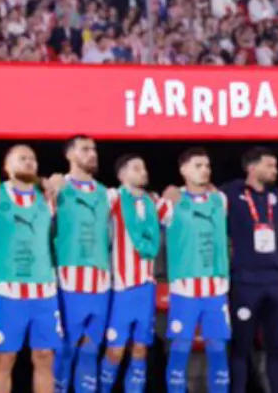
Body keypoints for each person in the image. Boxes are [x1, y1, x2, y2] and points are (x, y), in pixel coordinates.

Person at [159, 148, 231, 393]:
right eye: (198, 165)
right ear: (183, 170)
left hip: (216, 288)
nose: (205, 170)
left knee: (218, 349)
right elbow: (148, 225)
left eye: (207, 165)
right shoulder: (170, 201)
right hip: (184, 289)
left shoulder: (220, 200)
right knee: (180, 348)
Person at [0, 145, 58, 393]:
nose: (29, 162)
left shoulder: (48, 198)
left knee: (44, 356)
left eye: (32, 158)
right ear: (6, 167)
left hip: (44, 291)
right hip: (8, 291)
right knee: (4, 358)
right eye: (22, 158)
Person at [221, 147, 278, 393]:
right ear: (252, 167)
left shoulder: (276, 196)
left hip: (275, 282)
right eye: (269, 165)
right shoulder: (231, 192)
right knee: (241, 347)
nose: (275, 170)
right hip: (245, 282)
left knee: (276, 348)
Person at [52, 135, 111, 393]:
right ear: (69, 155)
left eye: (94, 149)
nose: (92, 154)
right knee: (64, 349)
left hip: (101, 283)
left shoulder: (107, 194)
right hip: (68, 281)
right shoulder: (57, 188)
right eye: (84, 149)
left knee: (90, 350)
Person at [103, 154, 160, 393]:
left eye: (144, 167)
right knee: (115, 351)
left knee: (140, 349)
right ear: (122, 175)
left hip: (147, 287)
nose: (143, 172)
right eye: (136, 168)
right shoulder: (113, 197)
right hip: (121, 288)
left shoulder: (153, 202)